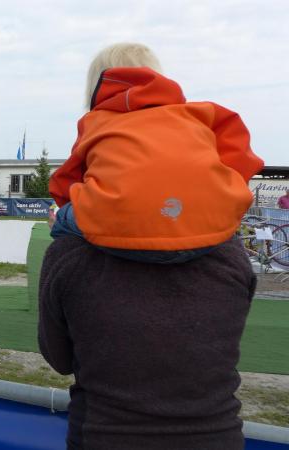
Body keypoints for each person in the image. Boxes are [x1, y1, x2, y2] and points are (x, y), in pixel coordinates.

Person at [39, 42, 261, 449]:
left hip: (105, 436)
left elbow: (60, 358)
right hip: (217, 437)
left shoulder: (68, 254)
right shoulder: (229, 253)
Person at [49, 43, 263, 263]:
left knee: (62, 217)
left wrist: (74, 201)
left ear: (96, 85)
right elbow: (240, 154)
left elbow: (66, 180)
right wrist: (225, 188)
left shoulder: (95, 121)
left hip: (121, 232)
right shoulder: (200, 113)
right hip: (206, 232)